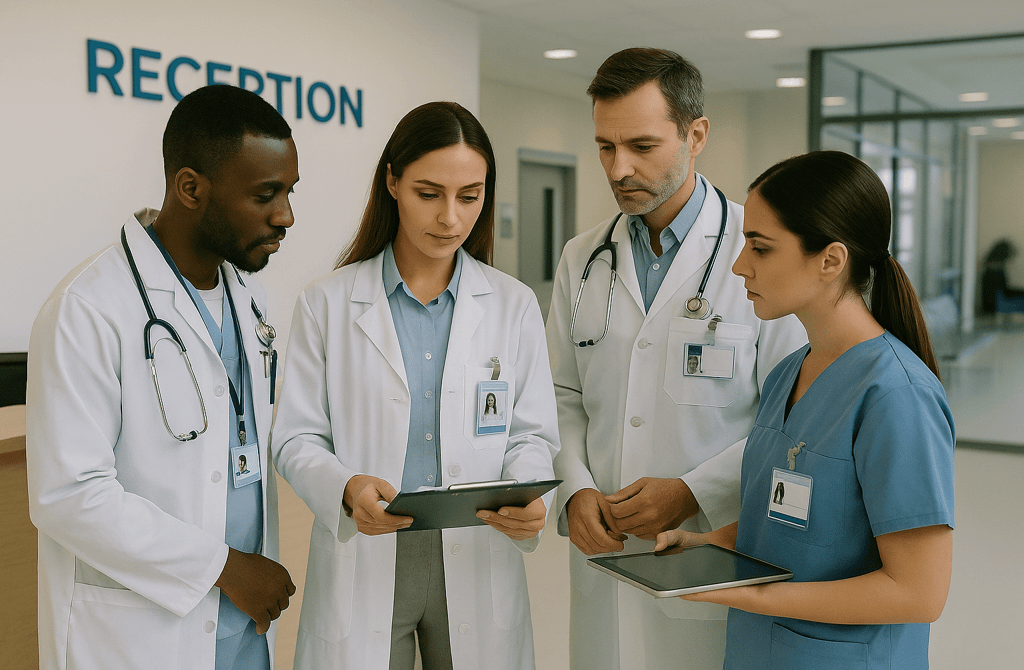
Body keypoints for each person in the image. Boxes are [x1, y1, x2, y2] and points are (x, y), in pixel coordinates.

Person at [271, 101, 559, 670]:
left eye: (469, 196)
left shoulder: (513, 304)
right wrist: (346, 488)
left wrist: (526, 491)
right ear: (393, 183)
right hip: (370, 548)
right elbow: (295, 438)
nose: (450, 218)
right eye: (429, 193)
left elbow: (531, 434)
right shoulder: (326, 302)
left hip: (477, 547)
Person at [546, 47, 806, 670]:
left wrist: (693, 490)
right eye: (605, 147)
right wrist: (576, 489)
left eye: (641, 145)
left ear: (696, 135)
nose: (618, 167)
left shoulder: (761, 250)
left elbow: (794, 416)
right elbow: (560, 396)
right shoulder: (582, 260)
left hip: (707, 551)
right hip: (603, 548)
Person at [26, 85, 299, 670]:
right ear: (191, 188)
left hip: (242, 625)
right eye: (265, 194)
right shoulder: (90, 308)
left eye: (288, 193)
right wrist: (224, 567)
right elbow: (67, 495)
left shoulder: (250, 300)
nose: (286, 216)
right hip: (140, 635)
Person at [656, 151, 955, 669]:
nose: (738, 265)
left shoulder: (896, 395)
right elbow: (793, 522)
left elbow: (919, 593)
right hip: (759, 649)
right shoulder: (788, 374)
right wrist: (708, 545)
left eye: (760, 247)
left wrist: (754, 596)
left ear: (831, 260)